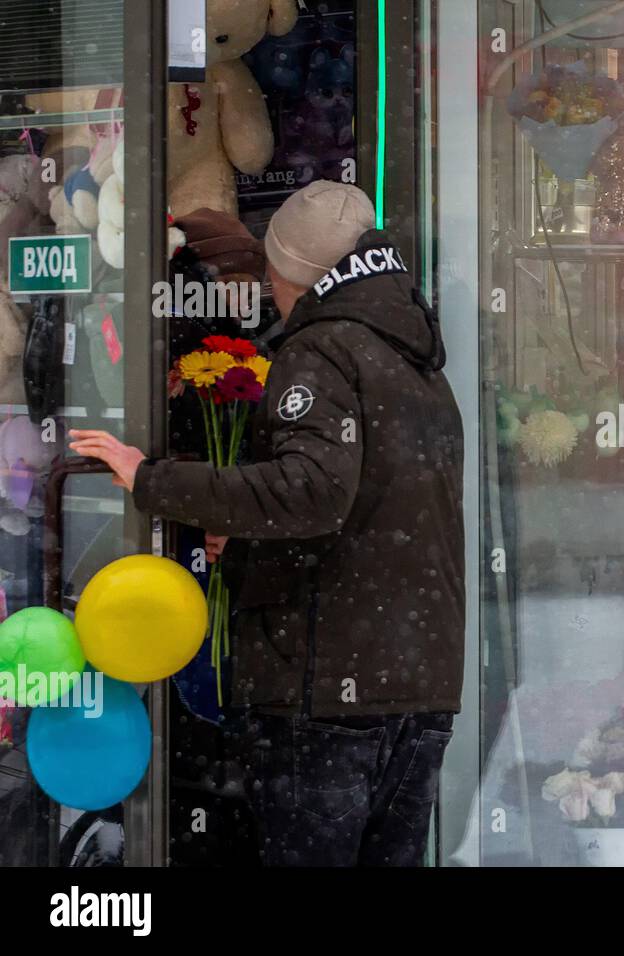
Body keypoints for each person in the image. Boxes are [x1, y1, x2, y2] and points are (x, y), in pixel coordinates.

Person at [69, 181, 465, 866]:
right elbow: (375, 508)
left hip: (328, 690)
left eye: (274, 275)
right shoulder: (414, 355)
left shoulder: (322, 349)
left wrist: (151, 480)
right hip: (417, 681)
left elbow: (310, 490)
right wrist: (254, 542)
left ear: (292, 276)